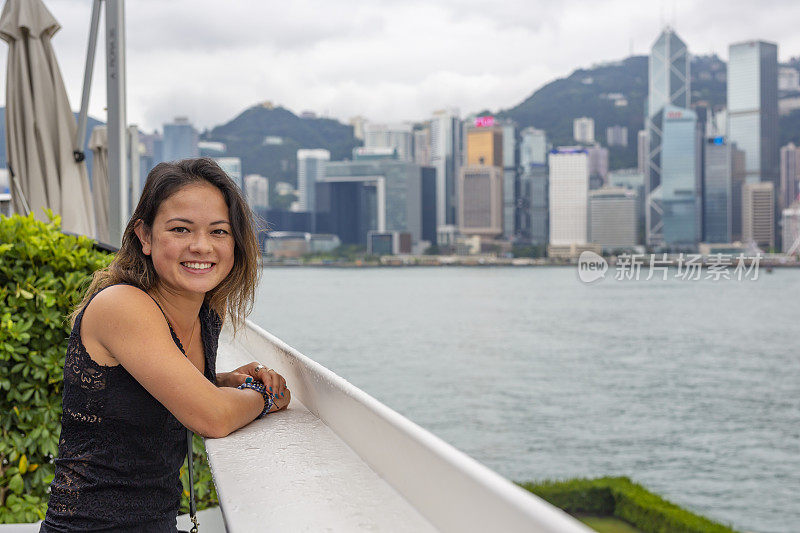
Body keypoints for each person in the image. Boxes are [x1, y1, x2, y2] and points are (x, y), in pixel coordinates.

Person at [40, 158, 290, 532]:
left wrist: (222, 381)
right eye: (180, 229)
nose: (201, 246)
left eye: (219, 232)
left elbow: (141, 390)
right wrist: (265, 396)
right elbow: (212, 417)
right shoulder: (122, 305)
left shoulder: (205, 314)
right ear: (144, 235)